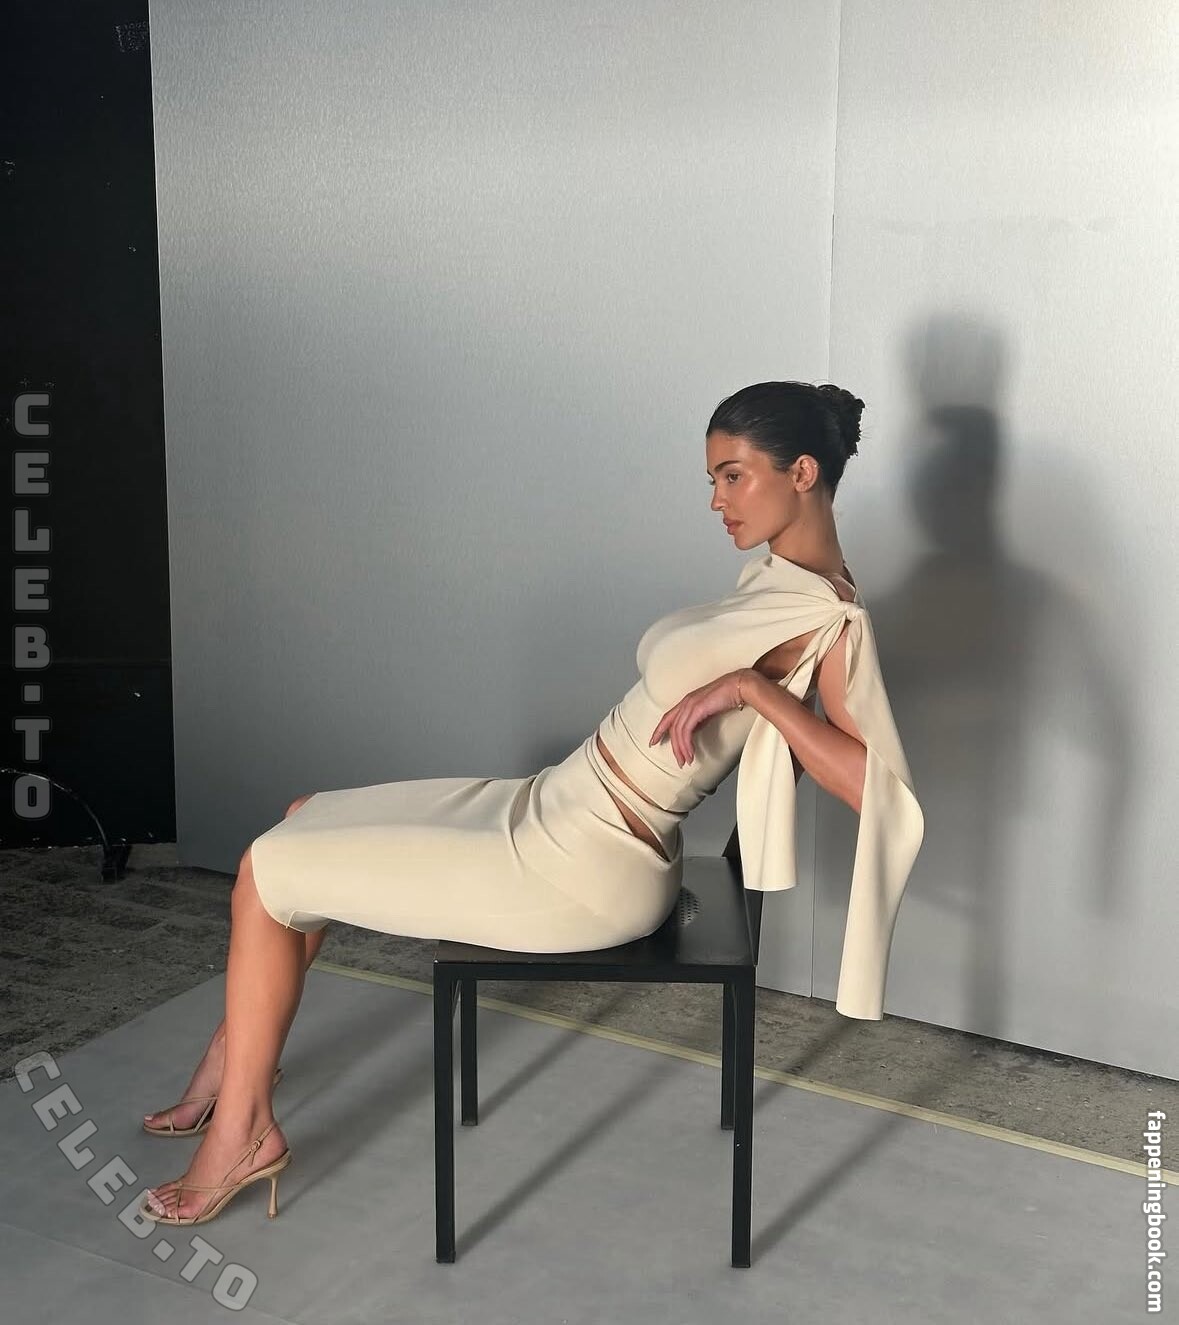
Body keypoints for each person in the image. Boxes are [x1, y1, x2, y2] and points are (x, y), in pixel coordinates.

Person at [138, 380, 923, 1227]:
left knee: (266, 869)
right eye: (712, 479)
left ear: (801, 471)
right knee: (302, 813)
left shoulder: (832, 618)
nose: (715, 499)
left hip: (585, 865)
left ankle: (244, 1127)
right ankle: (235, 1068)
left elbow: (872, 786)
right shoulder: (775, 576)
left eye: (732, 476)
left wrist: (752, 690)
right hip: (554, 802)